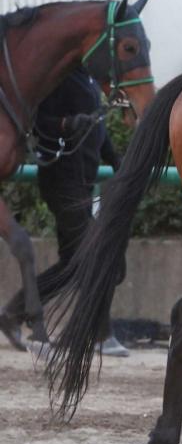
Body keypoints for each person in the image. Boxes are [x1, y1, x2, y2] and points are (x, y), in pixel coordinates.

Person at [0, 68, 128, 356]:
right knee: (97, 254)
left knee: (74, 264)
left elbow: (99, 130)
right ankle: (98, 333)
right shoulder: (57, 76)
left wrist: (117, 161)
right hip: (62, 182)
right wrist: (68, 124)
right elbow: (38, 122)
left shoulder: (88, 77)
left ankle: (13, 313)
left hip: (83, 181)